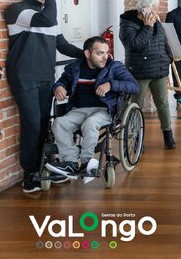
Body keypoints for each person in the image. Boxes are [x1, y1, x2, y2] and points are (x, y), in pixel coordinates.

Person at [6, 0, 84, 193]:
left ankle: (44, 167)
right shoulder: (18, 10)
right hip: (24, 77)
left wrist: (88, 55)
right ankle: (30, 175)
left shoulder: (47, 13)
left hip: (45, 77)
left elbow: (63, 45)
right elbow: (47, 19)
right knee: (32, 125)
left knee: (42, 124)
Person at [45, 37, 139, 178]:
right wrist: (58, 87)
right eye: (100, 53)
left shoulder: (114, 67)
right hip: (78, 110)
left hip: (104, 110)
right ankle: (70, 162)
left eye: (106, 52)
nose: (105, 57)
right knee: (58, 123)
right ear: (87, 53)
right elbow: (61, 82)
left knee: (90, 123)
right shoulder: (74, 68)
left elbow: (134, 86)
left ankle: (86, 162)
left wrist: (111, 85)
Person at [119, 0, 176, 149]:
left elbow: (163, 42)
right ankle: (136, 137)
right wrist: (147, 26)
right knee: (136, 105)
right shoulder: (128, 24)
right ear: (144, 10)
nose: (157, 12)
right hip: (140, 71)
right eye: (154, 9)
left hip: (158, 68)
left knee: (162, 103)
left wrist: (168, 58)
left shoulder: (156, 22)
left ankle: (168, 135)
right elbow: (134, 45)